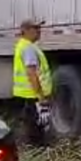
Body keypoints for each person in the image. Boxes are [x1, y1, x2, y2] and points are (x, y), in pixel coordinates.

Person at [12, 18, 52, 146]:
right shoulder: (28, 48)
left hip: (27, 94)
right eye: (35, 28)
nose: (39, 31)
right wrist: (40, 96)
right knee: (35, 128)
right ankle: (35, 149)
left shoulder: (24, 45)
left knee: (31, 125)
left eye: (39, 28)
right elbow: (31, 73)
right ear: (25, 30)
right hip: (31, 95)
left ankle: (31, 148)